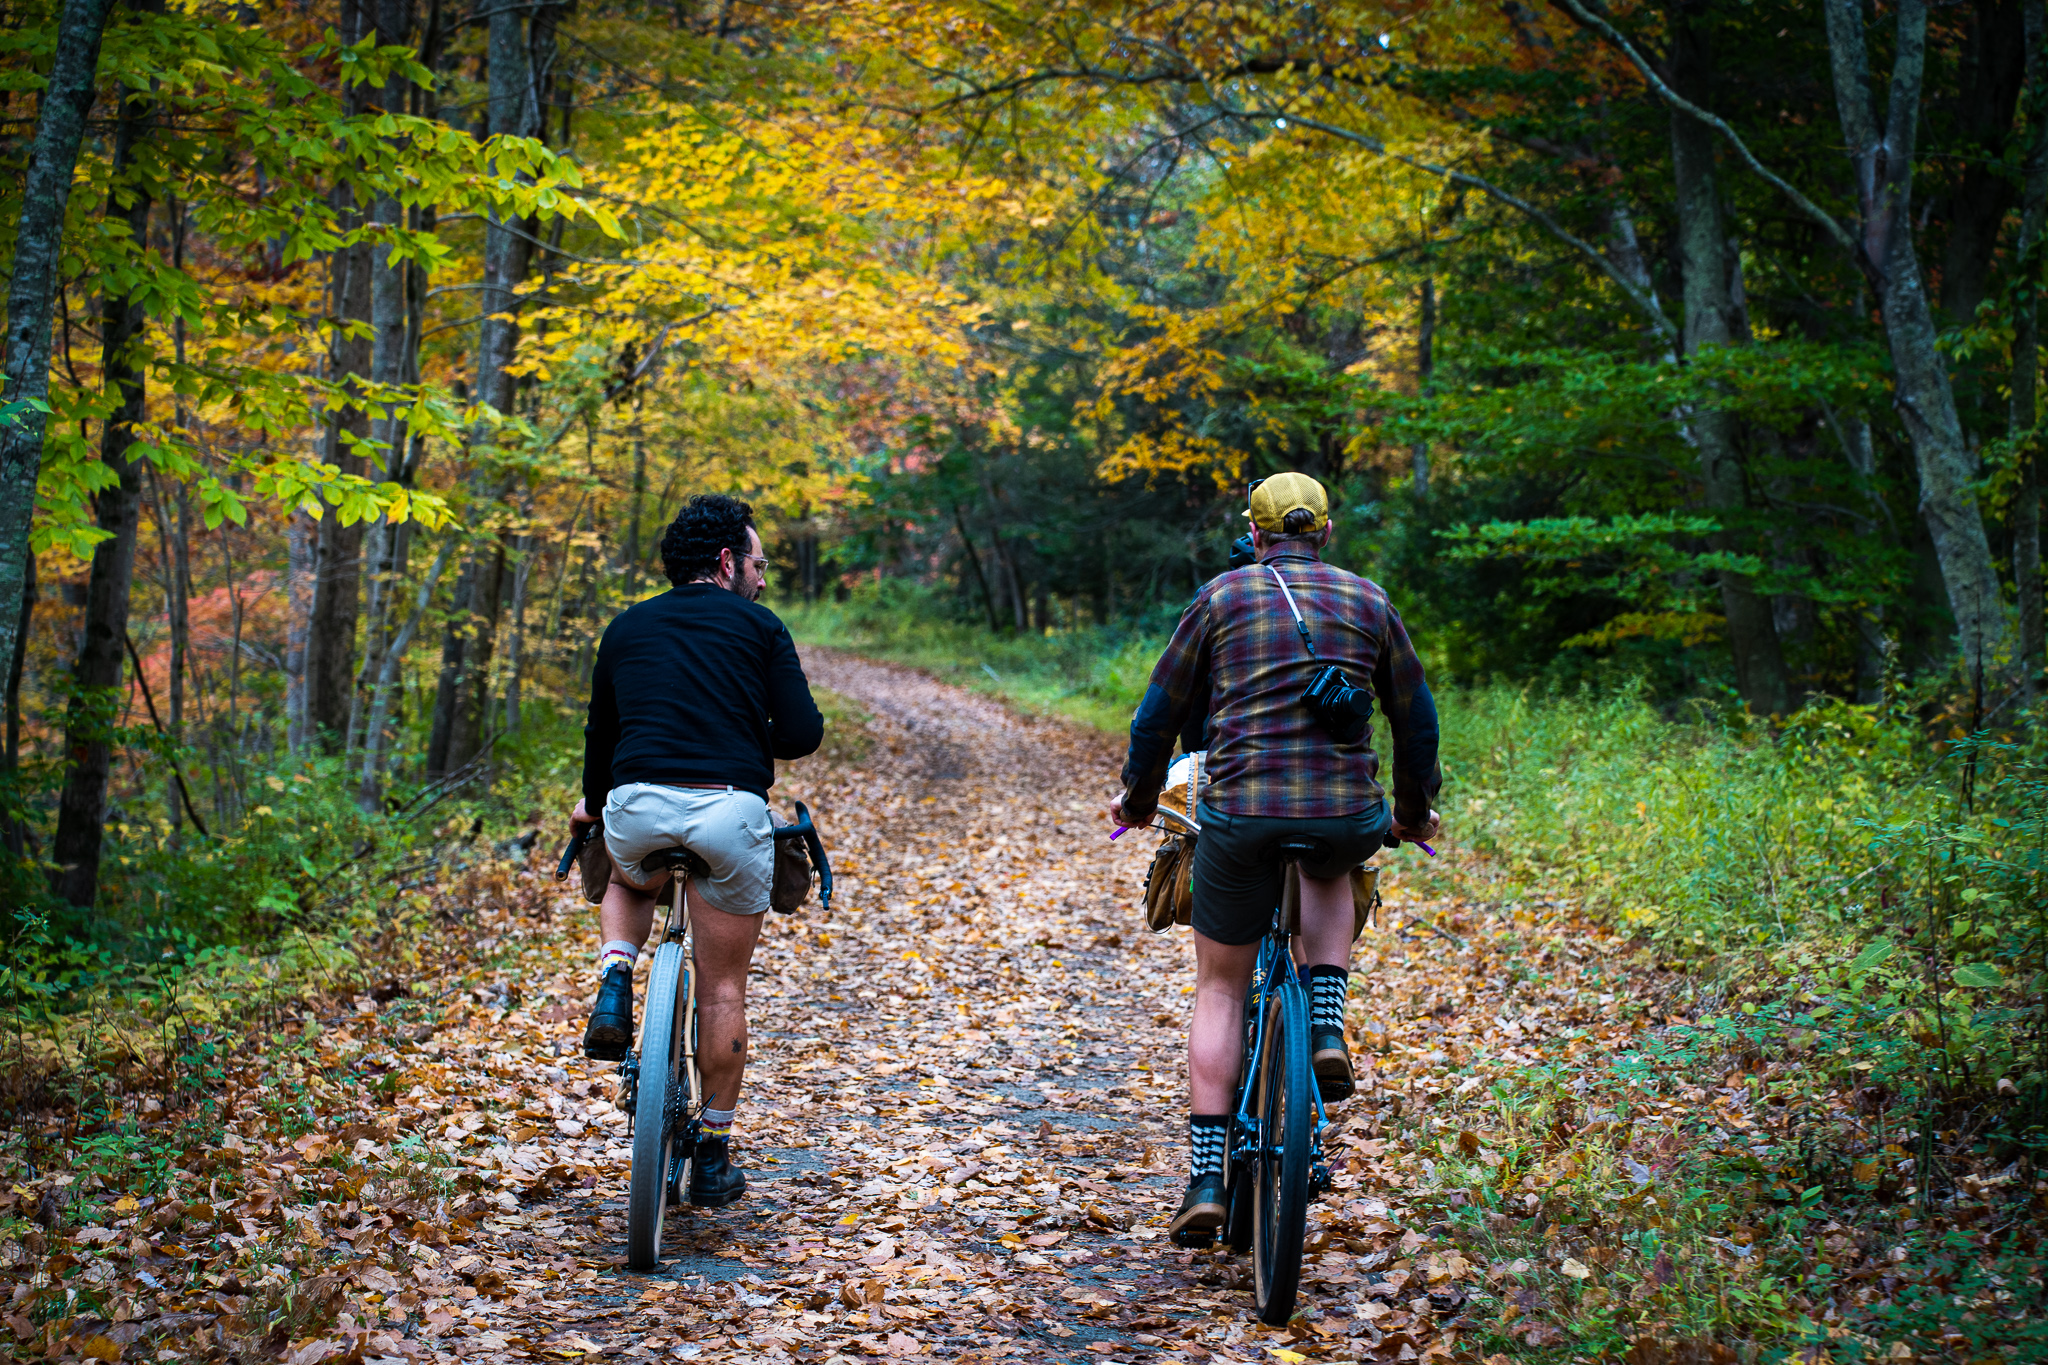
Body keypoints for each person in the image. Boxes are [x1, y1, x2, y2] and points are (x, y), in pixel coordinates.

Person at [1108, 472, 1441, 1245]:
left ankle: (1206, 1179)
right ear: (1326, 532)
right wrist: (1413, 810)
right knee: (1335, 854)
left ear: (1254, 535)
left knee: (1221, 987)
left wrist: (1137, 798)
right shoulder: (1370, 600)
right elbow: (1415, 719)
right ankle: (1325, 1024)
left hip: (1240, 814)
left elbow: (1158, 715)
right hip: (1344, 813)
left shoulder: (1221, 597)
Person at [569, 493, 824, 1208]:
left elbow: (602, 734)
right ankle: (712, 1154)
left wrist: (593, 802)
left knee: (628, 875)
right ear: (725, 561)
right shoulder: (761, 627)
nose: (763, 577)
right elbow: (801, 733)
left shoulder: (626, 626)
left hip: (638, 807)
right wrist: (740, 726)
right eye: (758, 563)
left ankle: (615, 978)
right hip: (727, 813)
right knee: (722, 989)